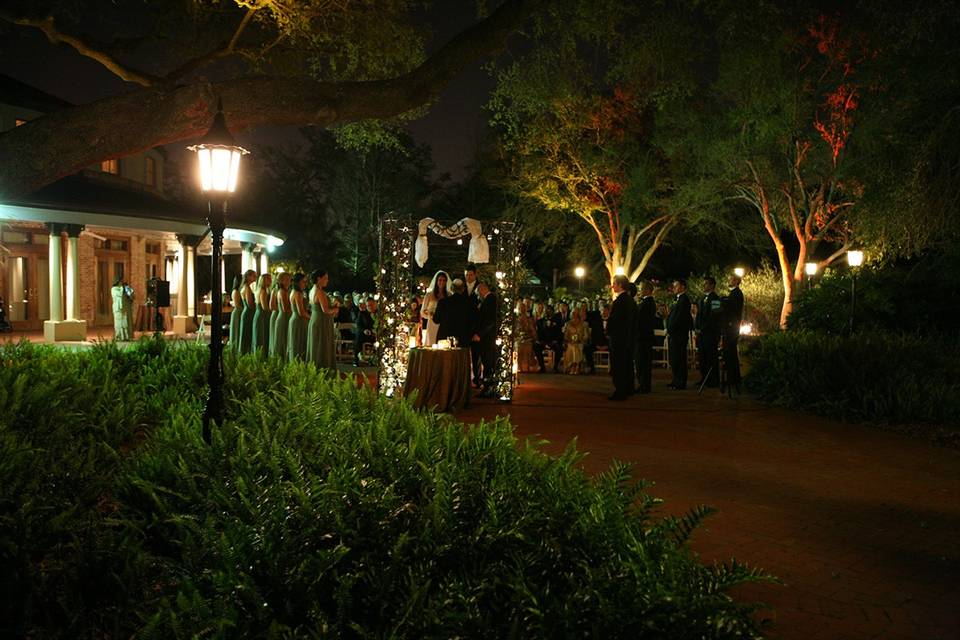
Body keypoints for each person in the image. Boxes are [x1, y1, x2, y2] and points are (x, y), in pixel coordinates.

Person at [605, 274, 637, 400]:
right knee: (627, 365)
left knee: (619, 366)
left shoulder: (620, 301)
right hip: (628, 339)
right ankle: (629, 388)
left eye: (614, 283)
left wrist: (609, 331)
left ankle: (620, 391)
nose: (612, 286)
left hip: (619, 339)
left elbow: (616, 321)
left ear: (620, 285)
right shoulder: (630, 301)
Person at [306, 269, 338, 370]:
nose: (327, 281)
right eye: (325, 278)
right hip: (321, 322)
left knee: (316, 345)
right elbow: (326, 310)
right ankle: (323, 369)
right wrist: (336, 308)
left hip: (315, 319)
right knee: (322, 346)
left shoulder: (312, 290)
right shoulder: (319, 292)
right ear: (319, 279)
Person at [695, 276, 723, 387]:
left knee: (711, 357)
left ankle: (713, 380)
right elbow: (698, 314)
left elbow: (715, 317)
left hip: (711, 334)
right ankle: (704, 378)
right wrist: (697, 327)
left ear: (712, 285)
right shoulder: (702, 299)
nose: (704, 285)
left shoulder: (716, 299)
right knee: (703, 357)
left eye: (706, 283)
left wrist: (703, 328)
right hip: (702, 333)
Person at [666, 278, 693, 390]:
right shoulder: (678, 299)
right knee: (674, 358)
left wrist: (672, 328)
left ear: (682, 287)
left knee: (680, 358)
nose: (674, 288)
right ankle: (675, 379)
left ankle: (681, 381)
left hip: (679, 334)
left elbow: (680, 318)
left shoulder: (684, 299)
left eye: (676, 286)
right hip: (674, 334)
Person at [435, 278, 477, 348]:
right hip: (463, 338)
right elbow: (474, 321)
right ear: (463, 289)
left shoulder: (443, 302)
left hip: (445, 338)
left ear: (451, 288)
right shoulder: (469, 303)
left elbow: (436, 320)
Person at [474, 280, 499, 397]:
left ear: (482, 290)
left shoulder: (490, 300)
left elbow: (489, 321)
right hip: (487, 337)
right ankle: (488, 387)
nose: (478, 296)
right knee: (487, 363)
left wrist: (479, 334)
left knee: (488, 363)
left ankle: (488, 388)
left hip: (487, 338)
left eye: (478, 293)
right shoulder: (490, 300)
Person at [722, 274, 745, 393]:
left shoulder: (736, 293)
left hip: (732, 327)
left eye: (730, 278)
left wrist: (724, 303)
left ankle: (733, 378)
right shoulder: (734, 293)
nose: (728, 280)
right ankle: (733, 377)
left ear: (736, 281)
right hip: (731, 326)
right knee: (730, 353)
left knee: (730, 353)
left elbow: (732, 309)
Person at [634, 281, 658, 394]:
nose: (641, 291)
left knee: (643, 362)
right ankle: (644, 384)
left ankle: (644, 385)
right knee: (642, 362)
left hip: (644, 337)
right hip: (644, 337)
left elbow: (643, 321)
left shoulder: (648, 303)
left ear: (648, 290)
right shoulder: (647, 303)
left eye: (643, 288)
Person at [421, 270, 450, 347]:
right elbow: (423, 312)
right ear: (436, 281)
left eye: (444, 280)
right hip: (432, 323)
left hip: (444, 324)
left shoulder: (449, 295)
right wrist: (430, 315)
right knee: (431, 343)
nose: (442, 282)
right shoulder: (429, 295)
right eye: (440, 280)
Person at [287, 272, 309, 362]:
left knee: (297, 343)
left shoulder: (293, 292)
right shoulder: (298, 293)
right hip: (299, 321)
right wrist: (311, 318)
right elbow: (301, 312)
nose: (305, 284)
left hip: (296, 319)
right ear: (298, 282)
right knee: (299, 344)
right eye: (304, 281)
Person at [270, 271, 292, 358]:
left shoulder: (285, 291)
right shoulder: (281, 291)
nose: (289, 281)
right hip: (283, 317)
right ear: (280, 281)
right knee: (282, 340)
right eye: (287, 279)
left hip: (284, 316)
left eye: (290, 279)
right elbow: (285, 308)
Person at [562, 307, 590, 374]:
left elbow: (586, 335)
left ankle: (574, 365)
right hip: (570, 342)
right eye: (573, 313)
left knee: (576, 347)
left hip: (580, 342)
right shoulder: (568, 324)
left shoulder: (584, 324)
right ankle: (574, 365)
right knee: (572, 346)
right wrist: (568, 340)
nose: (574, 315)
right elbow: (566, 335)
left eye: (575, 313)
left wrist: (581, 340)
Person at [251, 273, 272, 355]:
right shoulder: (263, 291)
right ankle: (261, 355)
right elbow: (264, 307)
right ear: (263, 281)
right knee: (262, 336)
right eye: (268, 279)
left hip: (260, 314)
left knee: (260, 335)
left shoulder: (260, 290)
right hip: (262, 316)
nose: (270, 281)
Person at [237, 269, 256, 354]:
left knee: (247, 333)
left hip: (247, 312)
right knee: (247, 333)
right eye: (254, 276)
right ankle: (245, 352)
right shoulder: (247, 288)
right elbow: (250, 304)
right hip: (248, 313)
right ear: (248, 277)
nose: (256, 277)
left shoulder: (245, 287)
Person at [516, 302, 539, 372]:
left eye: (523, 308)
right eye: (520, 308)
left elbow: (533, 330)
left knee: (528, 347)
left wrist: (533, 337)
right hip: (519, 339)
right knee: (518, 347)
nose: (522, 310)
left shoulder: (529, 319)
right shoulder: (516, 319)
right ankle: (519, 366)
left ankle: (527, 366)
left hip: (528, 338)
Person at [354, 298, 375, 366]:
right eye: (368, 305)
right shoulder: (362, 313)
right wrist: (364, 330)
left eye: (372, 305)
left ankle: (374, 359)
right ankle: (357, 359)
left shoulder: (378, 313)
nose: (370, 306)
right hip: (364, 333)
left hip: (374, 333)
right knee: (358, 335)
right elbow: (359, 325)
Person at [111, 275, 133, 341]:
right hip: (118, 308)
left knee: (124, 322)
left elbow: (131, 294)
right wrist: (123, 288)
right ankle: (119, 336)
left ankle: (126, 337)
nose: (122, 282)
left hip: (124, 307)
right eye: (121, 281)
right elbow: (119, 295)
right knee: (119, 323)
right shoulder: (114, 289)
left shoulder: (124, 288)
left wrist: (129, 290)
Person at [228, 275, 242, 351]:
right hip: (237, 313)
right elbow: (237, 305)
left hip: (239, 312)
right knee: (237, 331)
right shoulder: (235, 291)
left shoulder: (239, 290)